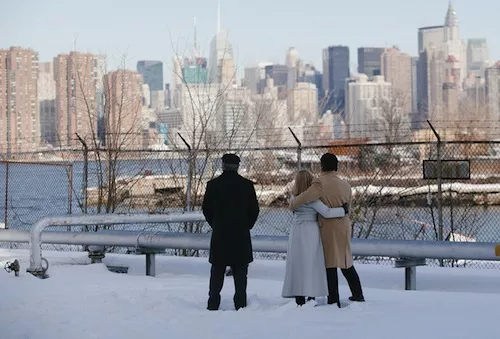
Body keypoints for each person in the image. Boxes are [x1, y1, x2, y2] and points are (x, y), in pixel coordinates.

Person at [290, 153, 364, 308]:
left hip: (327, 227)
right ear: (337, 166)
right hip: (344, 225)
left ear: (322, 166)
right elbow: (347, 207)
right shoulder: (346, 185)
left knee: (330, 264)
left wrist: (293, 203)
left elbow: (304, 198)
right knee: (345, 261)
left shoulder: (319, 184)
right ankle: (358, 294)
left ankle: (333, 299)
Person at [282, 169, 349, 306]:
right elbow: (327, 212)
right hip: (310, 231)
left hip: (296, 231)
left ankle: (298, 295)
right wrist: (343, 210)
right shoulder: (312, 200)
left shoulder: (294, 198)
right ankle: (310, 294)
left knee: (297, 263)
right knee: (311, 262)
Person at [202, 153, 260, 311]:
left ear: (222, 165)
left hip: (220, 233)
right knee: (240, 270)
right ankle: (240, 302)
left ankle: (213, 302)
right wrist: (246, 225)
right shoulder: (247, 185)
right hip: (240, 233)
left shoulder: (213, 185)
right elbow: (254, 210)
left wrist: (215, 224)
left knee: (217, 269)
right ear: (238, 166)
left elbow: (206, 209)